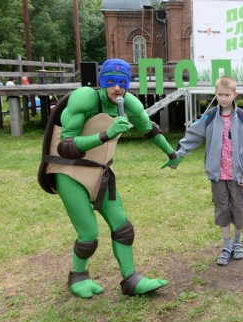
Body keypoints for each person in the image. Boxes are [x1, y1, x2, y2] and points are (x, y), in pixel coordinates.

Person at [38, 58, 174, 298]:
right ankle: (78, 276)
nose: (117, 88)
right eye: (110, 82)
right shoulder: (85, 99)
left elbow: (149, 129)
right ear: (101, 82)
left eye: (122, 82)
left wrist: (171, 153)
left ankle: (131, 280)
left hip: (100, 172)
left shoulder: (129, 104)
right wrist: (106, 134)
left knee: (122, 227)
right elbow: (66, 146)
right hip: (69, 171)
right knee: (89, 233)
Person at [164, 76, 243, 266]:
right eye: (220, 95)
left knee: (239, 209)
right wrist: (179, 154)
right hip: (217, 175)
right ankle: (226, 246)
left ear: (235, 94)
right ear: (215, 94)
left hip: (238, 175)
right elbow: (192, 136)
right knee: (222, 209)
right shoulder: (209, 118)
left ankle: (238, 243)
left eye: (227, 95)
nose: (223, 99)